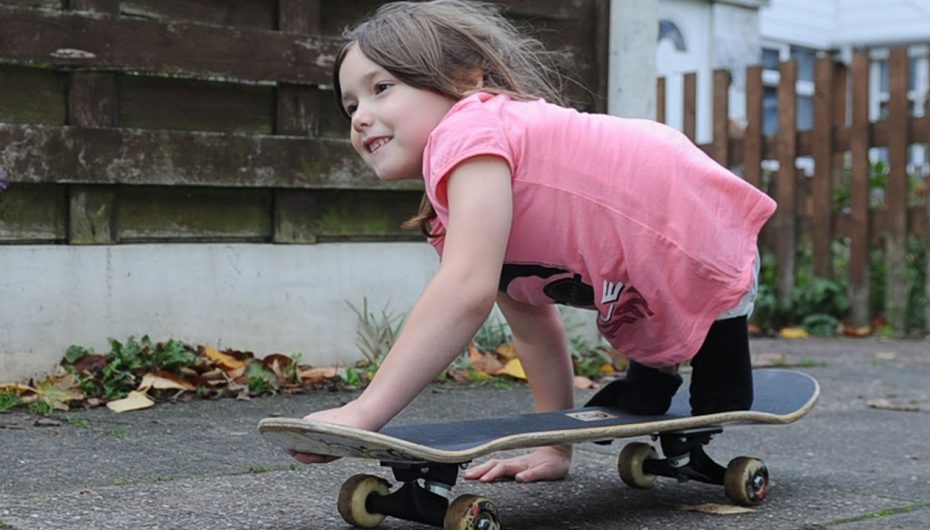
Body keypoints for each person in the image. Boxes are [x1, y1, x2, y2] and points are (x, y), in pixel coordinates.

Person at [289, 0, 777, 484]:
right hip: (652, 241)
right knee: (645, 324)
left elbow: (464, 292)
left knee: (717, 369)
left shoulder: (470, 128)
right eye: (351, 105)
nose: (359, 117)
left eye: (381, 89)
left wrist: (365, 411)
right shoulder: (468, 191)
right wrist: (553, 446)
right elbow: (532, 327)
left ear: (464, 79)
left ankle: (699, 386)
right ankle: (654, 382)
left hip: (696, 218)